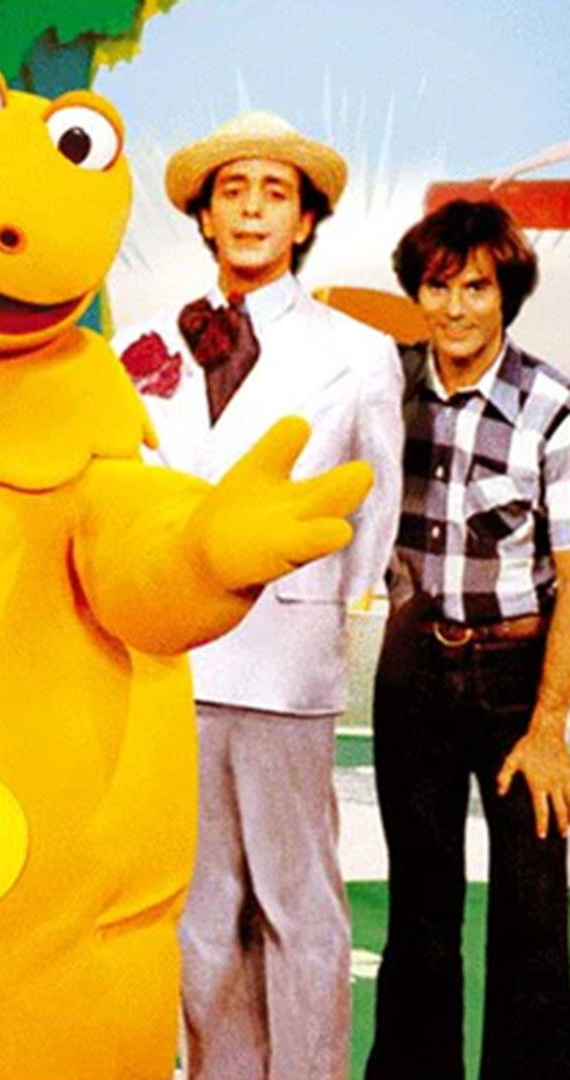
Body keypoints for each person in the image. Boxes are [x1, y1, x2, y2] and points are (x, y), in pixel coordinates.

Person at [111, 111, 404, 1079]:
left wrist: (325, 611)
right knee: (200, 918)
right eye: (232, 192)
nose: (250, 210)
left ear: (304, 220)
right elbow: (128, 493)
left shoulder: (357, 351)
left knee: (298, 906)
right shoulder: (144, 345)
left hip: (287, 665)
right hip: (174, 667)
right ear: (203, 216)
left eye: (274, 193)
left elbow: (375, 511)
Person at [366, 199, 570, 1080]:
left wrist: (550, 726)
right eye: (438, 287)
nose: (455, 308)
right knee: (419, 909)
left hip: (518, 677)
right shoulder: (386, 390)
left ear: (505, 296)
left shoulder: (551, 407)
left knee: (532, 910)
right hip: (413, 667)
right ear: (417, 293)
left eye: (476, 288)